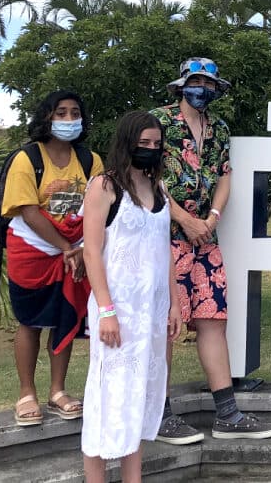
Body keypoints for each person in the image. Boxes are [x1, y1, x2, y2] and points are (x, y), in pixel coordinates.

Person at [151, 57, 271, 444]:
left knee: (213, 320)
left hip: (206, 239)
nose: (203, 90)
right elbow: (150, 177)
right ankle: (159, 414)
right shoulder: (157, 122)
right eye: (196, 82)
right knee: (164, 326)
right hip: (166, 236)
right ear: (182, 84)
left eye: (209, 84)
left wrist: (211, 218)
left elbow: (225, 176)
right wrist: (183, 219)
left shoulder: (219, 128)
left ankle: (228, 413)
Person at [81, 111, 183, 483]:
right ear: (127, 143)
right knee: (108, 396)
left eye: (156, 144)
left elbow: (165, 250)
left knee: (140, 396)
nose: (151, 150)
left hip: (151, 311)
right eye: (144, 144)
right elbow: (92, 252)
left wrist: (174, 302)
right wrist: (106, 311)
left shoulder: (159, 189)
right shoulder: (104, 187)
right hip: (117, 309)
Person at [2, 90, 104, 427]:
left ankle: (58, 391)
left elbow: (98, 208)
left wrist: (81, 249)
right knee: (29, 320)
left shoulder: (91, 161)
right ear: (46, 117)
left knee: (65, 317)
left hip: (75, 250)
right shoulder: (26, 158)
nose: (69, 119)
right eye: (61, 113)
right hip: (33, 251)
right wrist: (64, 247)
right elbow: (29, 211)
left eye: (75, 112)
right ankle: (26, 393)